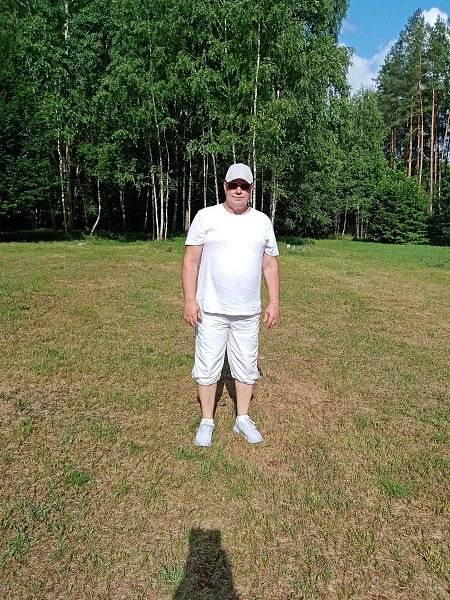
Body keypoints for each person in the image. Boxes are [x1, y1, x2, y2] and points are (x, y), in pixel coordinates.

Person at [182, 163, 280, 447]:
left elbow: (270, 264)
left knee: (247, 365)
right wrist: (190, 299)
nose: (239, 190)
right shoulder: (206, 216)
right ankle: (207, 420)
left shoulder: (262, 221)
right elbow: (191, 261)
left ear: (251, 189)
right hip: (210, 310)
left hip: (247, 311)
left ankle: (243, 418)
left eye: (244, 186)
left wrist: (274, 302)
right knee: (207, 365)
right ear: (224, 187)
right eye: (233, 185)